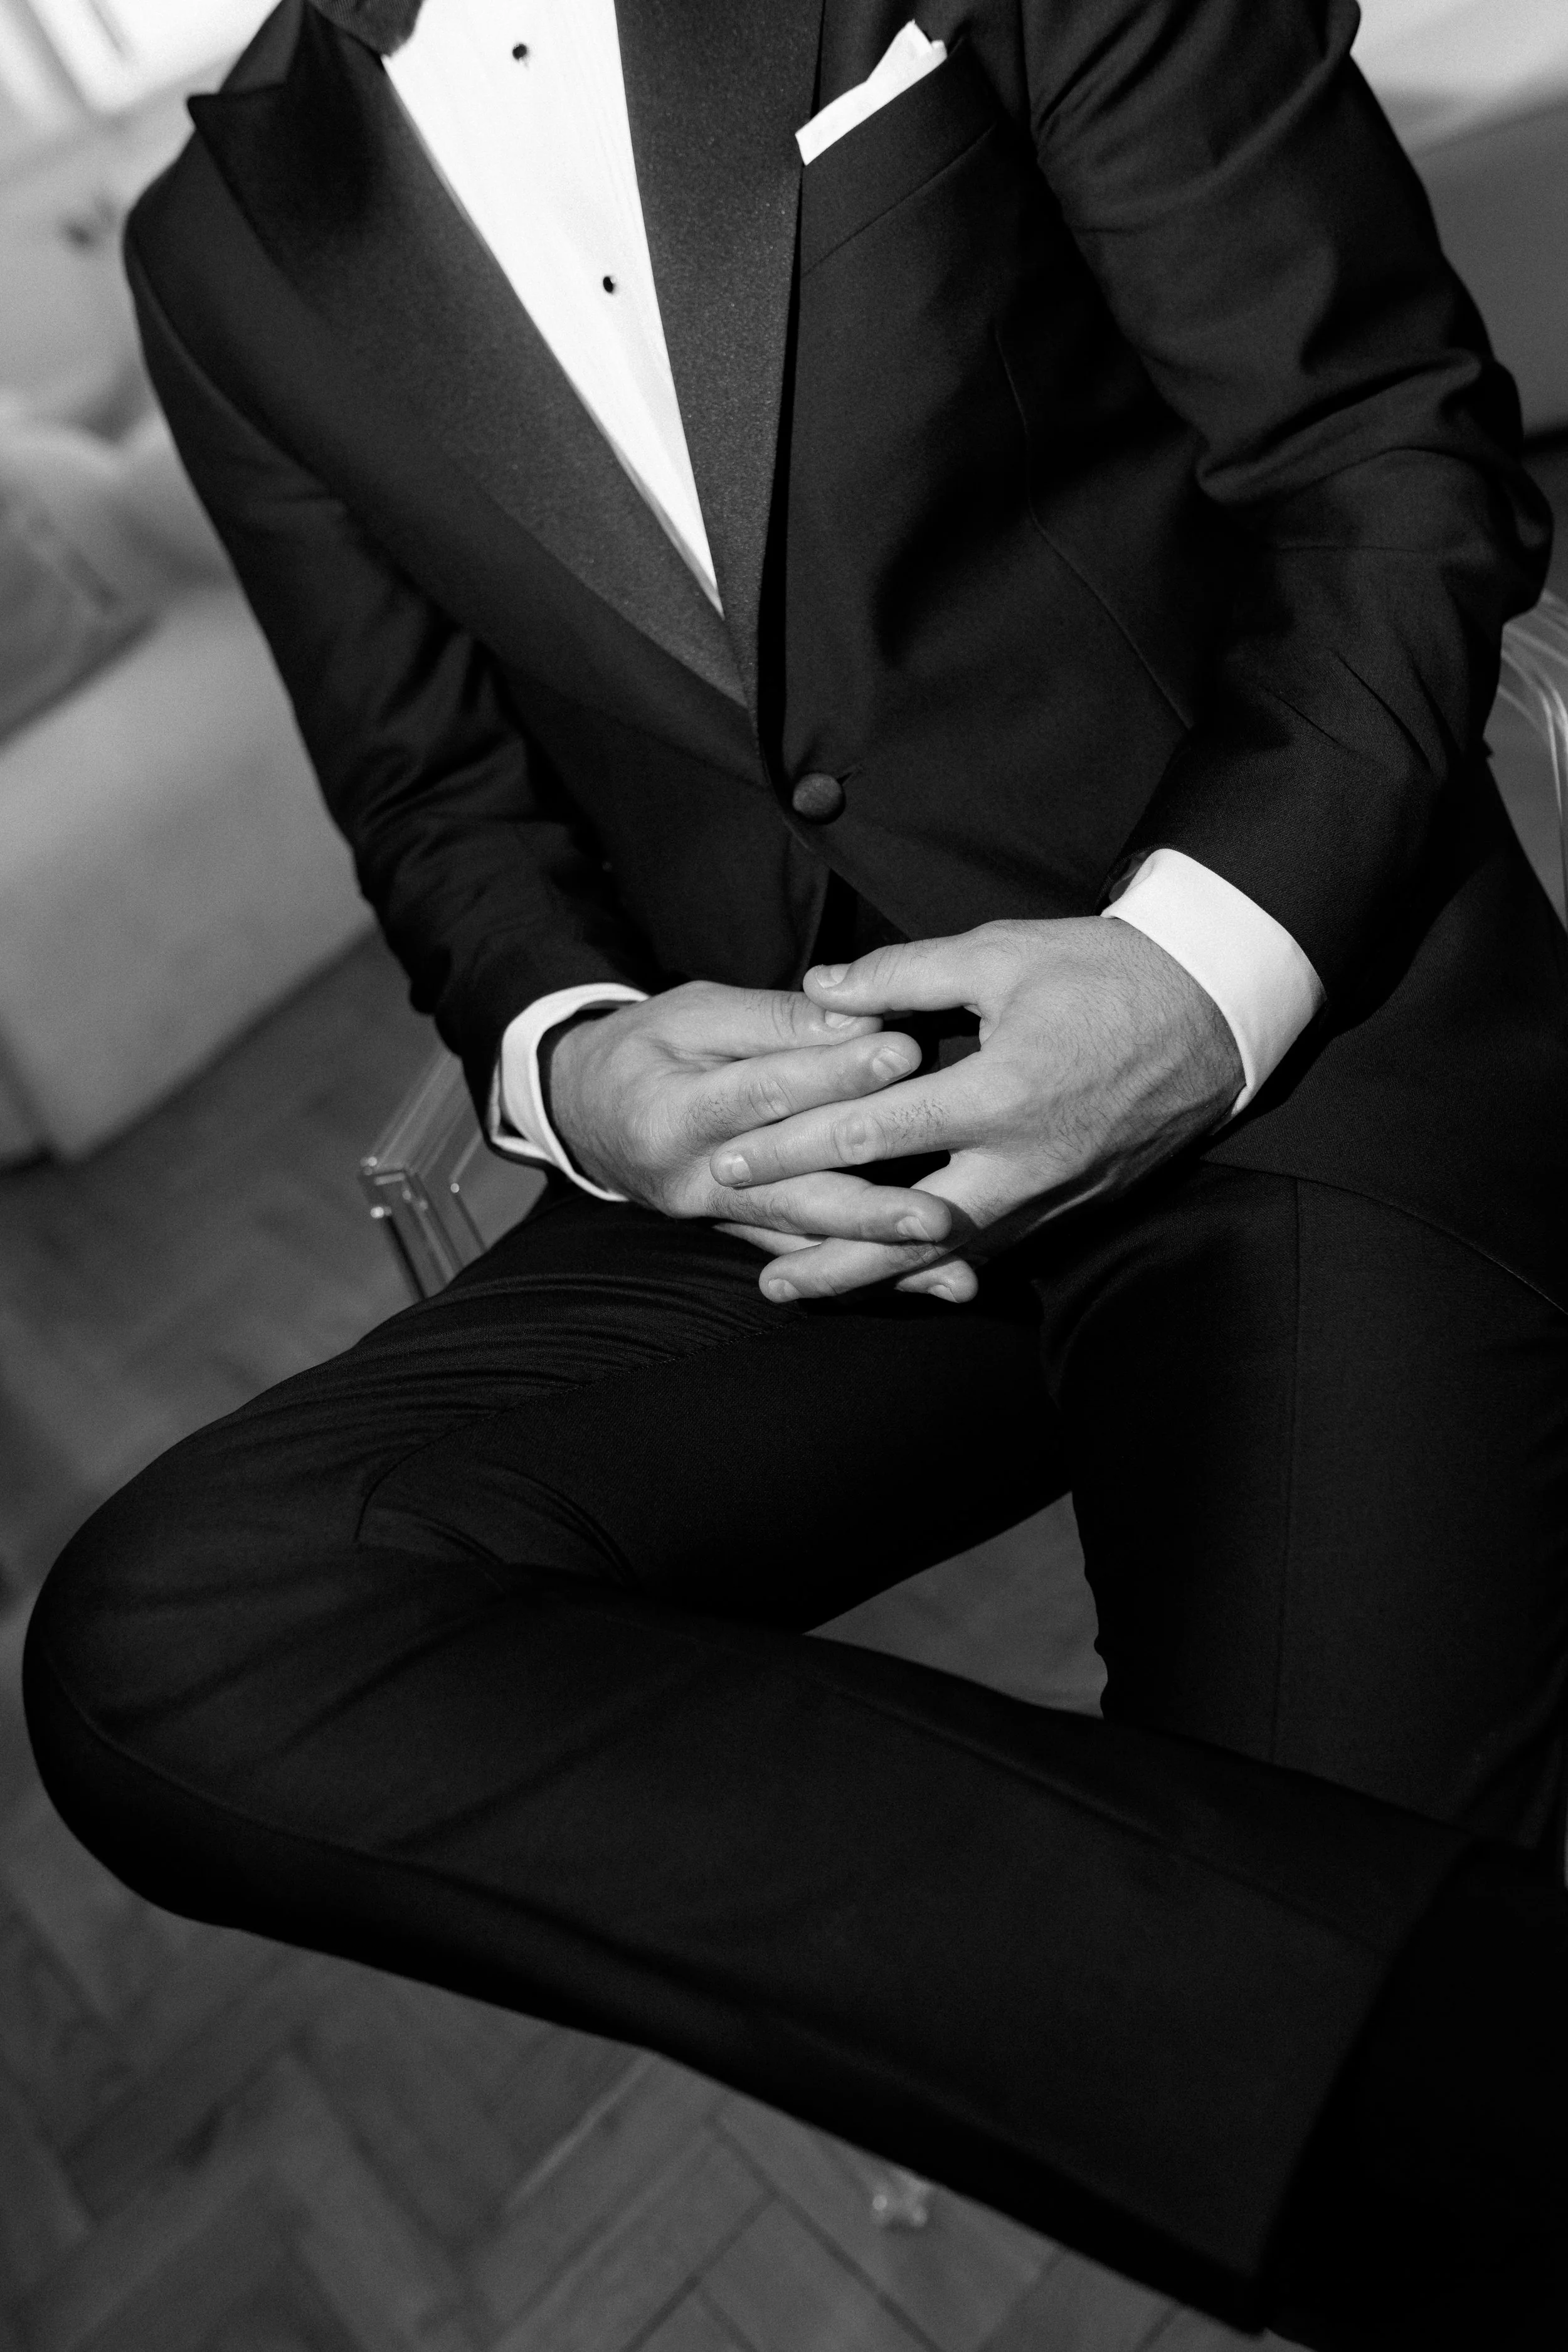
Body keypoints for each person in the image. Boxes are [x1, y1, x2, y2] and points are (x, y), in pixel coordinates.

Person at [24, 0, 1568, 2338]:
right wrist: (577, 1061)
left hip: (1281, 1025)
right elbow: (437, 800)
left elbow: (1384, 462)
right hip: (786, 1178)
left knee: (1330, 2070)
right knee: (171, 1647)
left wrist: (1186, 976)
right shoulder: (220, 242)